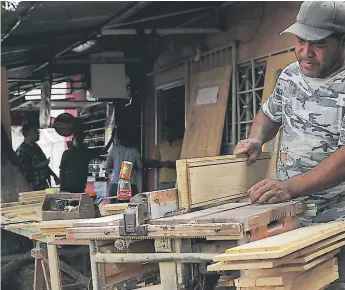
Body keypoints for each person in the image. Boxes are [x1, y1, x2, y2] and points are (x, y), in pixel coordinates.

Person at [233, 1, 345, 286]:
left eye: (317, 44)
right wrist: (257, 138)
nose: (305, 53)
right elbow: (270, 113)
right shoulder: (290, 76)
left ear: (341, 41)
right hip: (290, 217)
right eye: (300, 41)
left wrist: (289, 187)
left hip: (337, 224)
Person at [16, 123, 60, 191]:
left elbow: (44, 164)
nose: (39, 134)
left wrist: (54, 175)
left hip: (43, 183)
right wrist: (40, 165)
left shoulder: (36, 147)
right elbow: (24, 169)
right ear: (28, 133)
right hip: (32, 186)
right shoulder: (22, 150)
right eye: (36, 132)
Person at [106, 127, 142, 203]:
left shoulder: (114, 149)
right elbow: (140, 166)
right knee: (130, 209)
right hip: (130, 184)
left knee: (115, 210)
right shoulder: (134, 150)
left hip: (116, 184)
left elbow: (108, 165)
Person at [145, 120, 183, 190]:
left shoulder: (182, 144)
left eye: (170, 130)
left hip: (178, 180)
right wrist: (164, 164)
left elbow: (186, 161)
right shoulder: (160, 144)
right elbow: (153, 162)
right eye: (166, 130)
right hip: (163, 181)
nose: (167, 132)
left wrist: (173, 164)